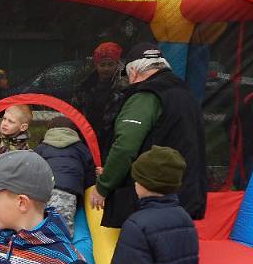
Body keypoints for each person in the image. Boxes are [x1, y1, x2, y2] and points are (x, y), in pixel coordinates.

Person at [90, 42, 207, 228]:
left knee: (143, 250)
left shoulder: (146, 96)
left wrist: (103, 187)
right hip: (184, 194)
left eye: (127, 75)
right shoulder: (184, 93)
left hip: (150, 200)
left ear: (134, 71)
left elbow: (125, 147)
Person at [34, 116, 96, 236]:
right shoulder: (81, 148)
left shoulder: (41, 148)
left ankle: (36, 243)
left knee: (38, 221)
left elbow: (32, 168)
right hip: (67, 191)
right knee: (62, 226)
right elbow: (90, 175)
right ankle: (61, 246)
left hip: (43, 190)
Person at [71, 42, 127, 159]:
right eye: (102, 65)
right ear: (96, 65)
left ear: (117, 64)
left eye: (110, 64)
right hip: (87, 139)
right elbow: (75, 113)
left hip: (112, 140)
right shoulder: (84, 87)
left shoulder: (124, 88)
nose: (106, 68)